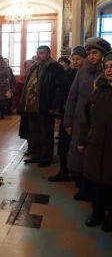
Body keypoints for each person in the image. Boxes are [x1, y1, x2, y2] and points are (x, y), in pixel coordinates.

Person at [63, 37, 110, 199]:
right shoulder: (82, 72)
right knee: (80, 152)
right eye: (89, 53)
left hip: (101, 124)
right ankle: (84, 186)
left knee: (98, 157)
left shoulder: (107, 73)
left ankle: (97, 193)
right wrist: (68, 121)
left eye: (95, 53)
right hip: (80, 120)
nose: (91, 56)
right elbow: (72, 97)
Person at [78, 52, 112, 232]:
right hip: (96, 144)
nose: (109, 70)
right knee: (95, 182)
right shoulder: (97, 93)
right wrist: (83, 140)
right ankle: (97, 213)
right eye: (106, 67)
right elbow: (85, 120)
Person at [19, 45, 64, 168]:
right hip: (33, 105)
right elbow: (28, 86)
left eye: (42, 53)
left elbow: (58, 89)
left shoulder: (55, 67)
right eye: (38, 53)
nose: (39, 55)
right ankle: (36, 154)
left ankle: (46, 157)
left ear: (48, 54)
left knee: (46, 133)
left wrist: (53, 106)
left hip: (45, 105)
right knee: (35, 132)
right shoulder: (34, 67)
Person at [48, 48, 86, 182]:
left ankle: (80, 174)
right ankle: (63, 171)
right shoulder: (69, 74)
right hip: (66, 114)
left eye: (79, 59)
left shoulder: (87, 75)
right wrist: (59, 113)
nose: (75, 62)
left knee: (80, 146)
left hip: (82, 117)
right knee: (63, 145)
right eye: (73, 59)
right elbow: (62, 93)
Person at [13, 59, 35, 155]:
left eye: (30, 65)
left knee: (34, 128)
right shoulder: (22, 79)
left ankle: (36, 147)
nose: (28, 67)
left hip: (34, 107)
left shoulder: (38, 77)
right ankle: (30, 146)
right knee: (26, 129)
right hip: (24, 107)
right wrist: (14, 106)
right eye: (26, 66)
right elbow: (17, 94)